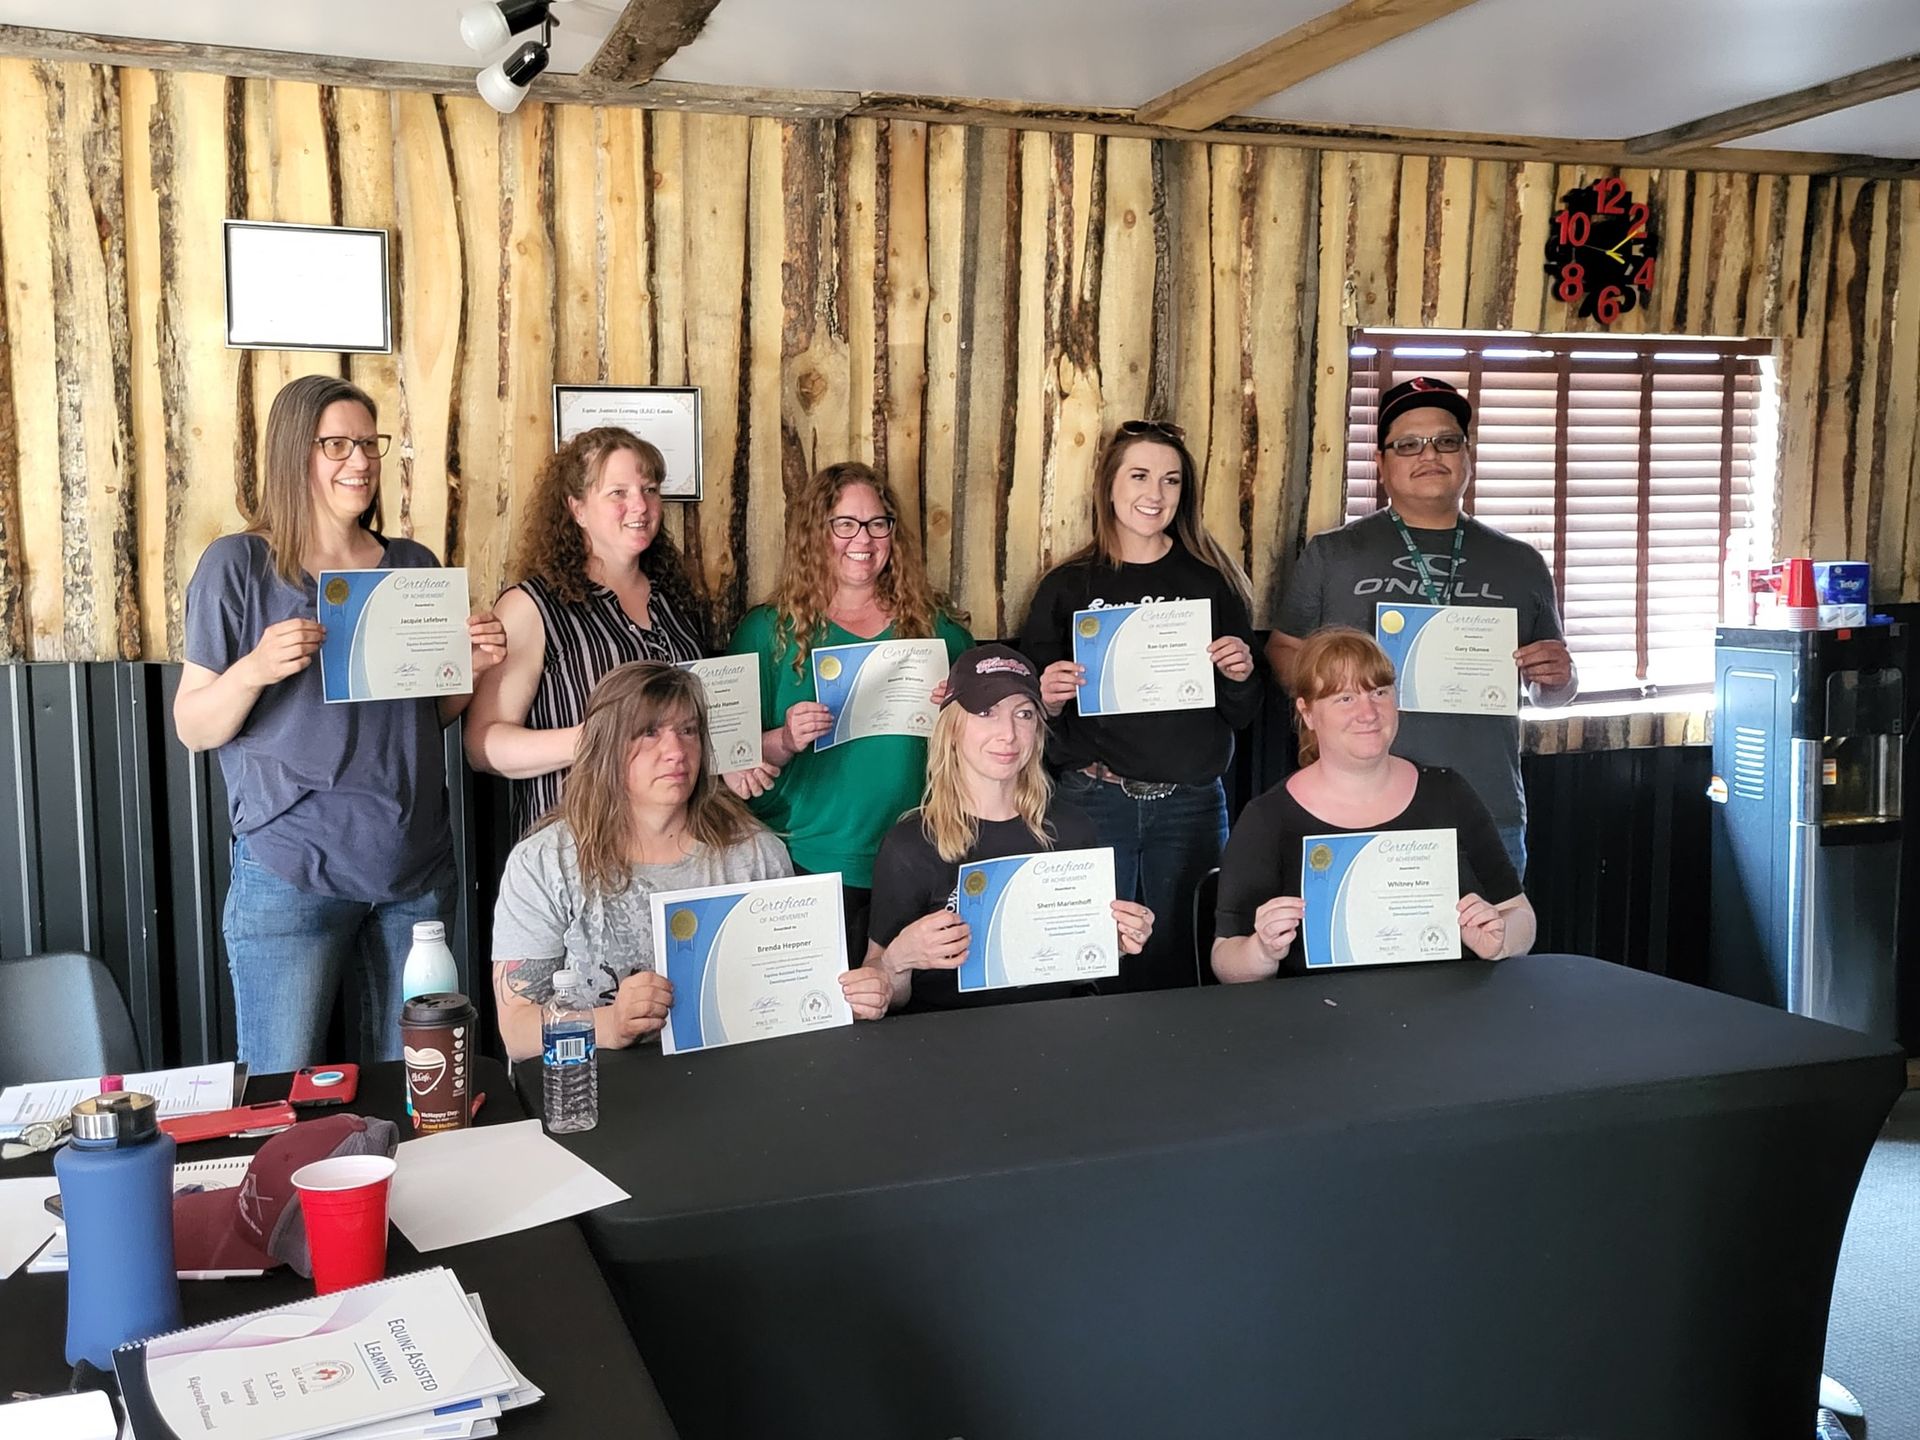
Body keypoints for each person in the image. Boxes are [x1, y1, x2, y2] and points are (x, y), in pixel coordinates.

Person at [174, 374, 507, 1072]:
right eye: (336, 444)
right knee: (280, 1087)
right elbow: (194, 726)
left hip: (412, 865)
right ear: (295, 454)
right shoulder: (237, 566)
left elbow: (427, 718)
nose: (359, 460)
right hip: (290, 868)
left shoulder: (411, 566)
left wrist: (469, 669)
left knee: (424, 1089)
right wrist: (255, 668)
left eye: (368, 443)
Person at [490, 661, 890, 1062]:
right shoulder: (545, 862)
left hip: (733, 1081)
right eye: (648, 733)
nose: (676, 752)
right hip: (595, 1091)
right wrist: (611, 1023)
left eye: (688, 731)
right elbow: (516, 1031)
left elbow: (789, 1002)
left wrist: (846, 997)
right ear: (606, 746)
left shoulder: (754, 853)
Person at [1268, 377, 1576, 877]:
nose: (1429, 454)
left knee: (1489, 951)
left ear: (1467, 456)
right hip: (1353, 805)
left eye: (1446, 441)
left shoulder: (1520, 563)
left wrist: (1560, 679)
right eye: (1407, 444)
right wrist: (1335, 690)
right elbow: (1283, 648)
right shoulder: (1332, 554)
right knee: (1362, 952)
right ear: (1382, 465)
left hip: (1485, 808)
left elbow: (1550, 692)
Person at [1018, 419, 1262, 992]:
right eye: (1140, 475)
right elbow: (1031, 720)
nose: (1155, 494)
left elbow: (1241, 713)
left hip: (1191, 805)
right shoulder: (1068, 586)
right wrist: (1045, 698)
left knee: (1186, 958)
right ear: (1108, 485)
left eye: (1171, 481)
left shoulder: (1212, 580)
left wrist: (1241, 673)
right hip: (1093, 797)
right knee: (1092, 958)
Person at [728, 461, 972, 961]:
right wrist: (785, 738)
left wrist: (957, 706)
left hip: (919, 855)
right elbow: (732, 761)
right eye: (844, 524)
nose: (863, 538)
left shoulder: (934, 628)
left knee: (911, 1020)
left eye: (877, 523)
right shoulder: (766, 632)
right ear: (815, 534)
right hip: (808, 858)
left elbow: (989, 726)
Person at [1212, 628, 1534, 982]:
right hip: (1322, 1023)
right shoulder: (1268, 818)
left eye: (1379, 692)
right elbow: (1226, 959)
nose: (1368, 713)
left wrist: (1499, 942)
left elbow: (1520, 915)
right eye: (1345, 699)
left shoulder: (1449, 792)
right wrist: (1262, 951)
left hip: (1447, 1012)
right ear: (1307, 713)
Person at [862, 645, 1154, 1012]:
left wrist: (1115, 942)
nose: (1009, 734)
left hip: (1054, 1036)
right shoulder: (911, 844)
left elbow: (1079, 975)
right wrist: (896, 961)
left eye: (1024, 714)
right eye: (986, 712)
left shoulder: (1071, 829)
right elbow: (882, 990)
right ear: (953, 728)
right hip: (946, 1044)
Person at [466, 428, 710, 842]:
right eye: (618, 493)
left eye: (649, 489)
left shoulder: (675, 600)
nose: (640, 505)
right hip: (577, 844)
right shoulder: (532, 607)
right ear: (577, 509)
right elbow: (482, 744)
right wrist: (595, 739)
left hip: (673, 844)